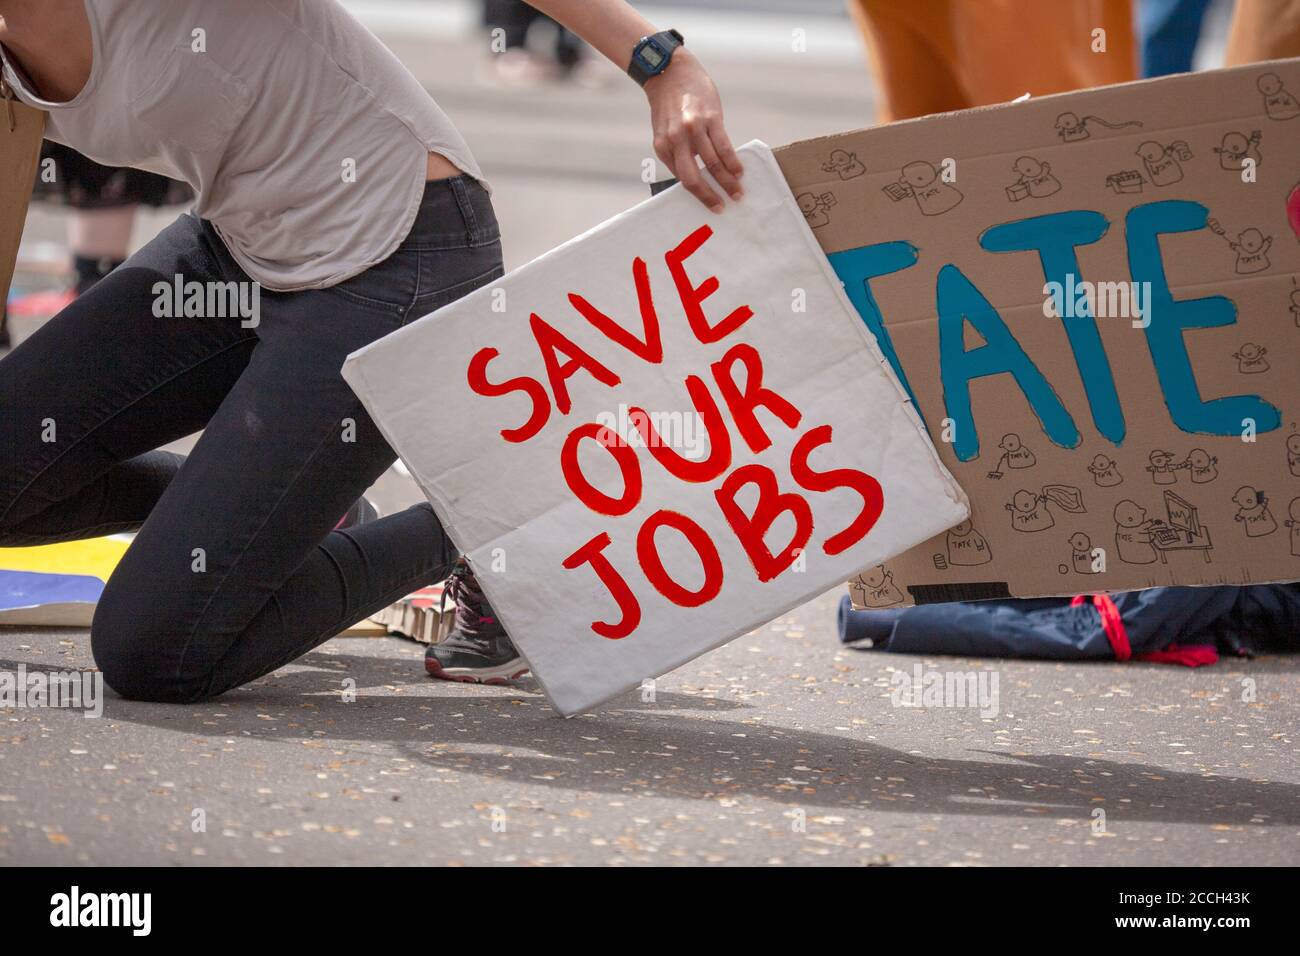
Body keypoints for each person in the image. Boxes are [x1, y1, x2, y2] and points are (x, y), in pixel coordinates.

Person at [0, 0, 743, 702]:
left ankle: (483, 525)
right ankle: (295, 516)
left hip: (399, 252)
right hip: (239, 248)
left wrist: (661, 63)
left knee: (154, 649)